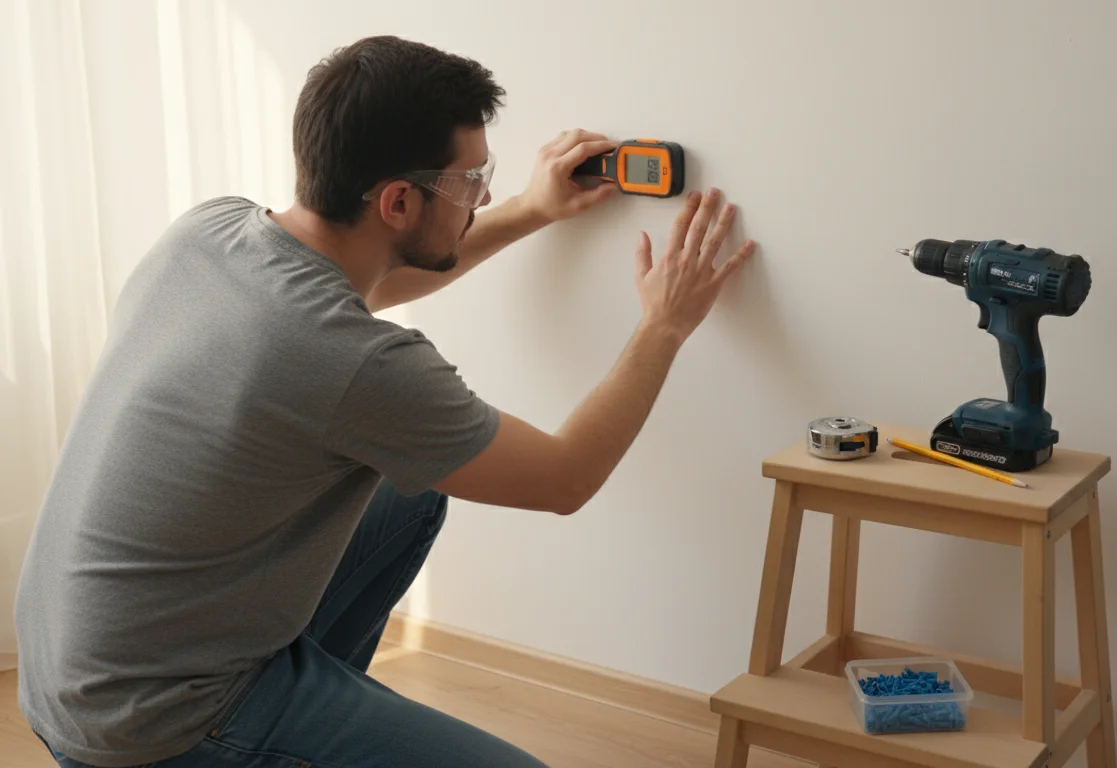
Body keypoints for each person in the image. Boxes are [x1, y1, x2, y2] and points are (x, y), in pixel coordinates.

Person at [14, 34, 755, 768]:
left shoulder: (211, 231)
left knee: (408, 501)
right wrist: (664, 324)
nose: (485, 193)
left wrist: (533, 208)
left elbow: (377, 280)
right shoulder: (351, 361)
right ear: (398, 201)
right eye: (470, 180)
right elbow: (565, 478)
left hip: (65, 670)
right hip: (150, 722)